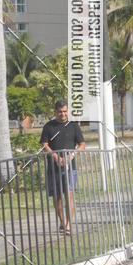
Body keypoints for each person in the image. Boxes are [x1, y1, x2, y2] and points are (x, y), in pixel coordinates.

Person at [40, 99, 85, 235]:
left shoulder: (74, 126)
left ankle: (68, 225)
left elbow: (82, 144)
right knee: (57, 197)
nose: (63, 114)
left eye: (65, 111)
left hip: (70, 166)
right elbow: (44, 144)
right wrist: (55, 156)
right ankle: (61, 221)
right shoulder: (48, 126)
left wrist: (72, 155)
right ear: (55, 112)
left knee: (69, 195)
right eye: (60, 112)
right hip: (54, 168)